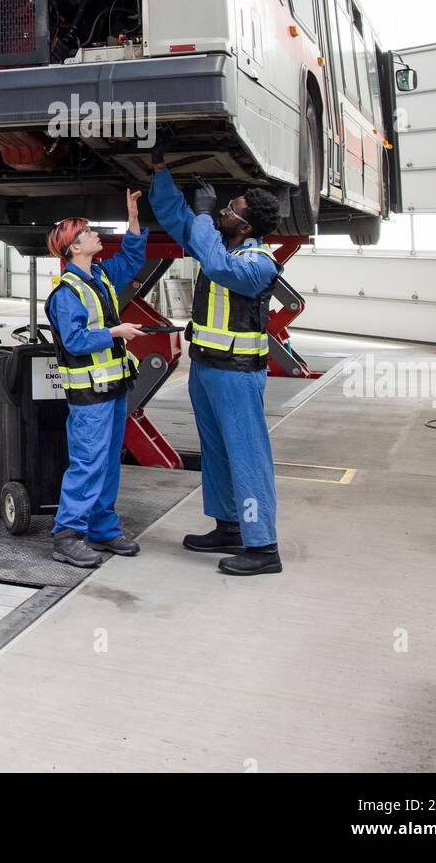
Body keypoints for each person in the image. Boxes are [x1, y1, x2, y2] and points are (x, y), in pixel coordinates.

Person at [149, 159, 283, 576]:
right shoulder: (219, 245)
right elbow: (179, 219)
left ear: (245, 227)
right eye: (222, 208)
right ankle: (229, 526)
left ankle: (263, 548)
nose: (222, 211)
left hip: (237, 374)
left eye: (230, 210)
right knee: (218, 452)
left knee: (246, 455)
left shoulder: (259, 262)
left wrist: (206, 216)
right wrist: (160, 172)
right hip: (206, 368)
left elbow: (220, 268)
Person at [44, 189, 147, 568]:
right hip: (89, 394)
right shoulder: (66, 294)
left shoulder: (100, 276)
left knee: (107, 461)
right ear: (73, 248)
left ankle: (103, 528)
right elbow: (74, 341)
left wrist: (133, 217)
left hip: (113, 388)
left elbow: (134, 257)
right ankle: (67, 534)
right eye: (86, 233)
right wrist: (116, 333)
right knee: (88, 462)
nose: (94, 235)